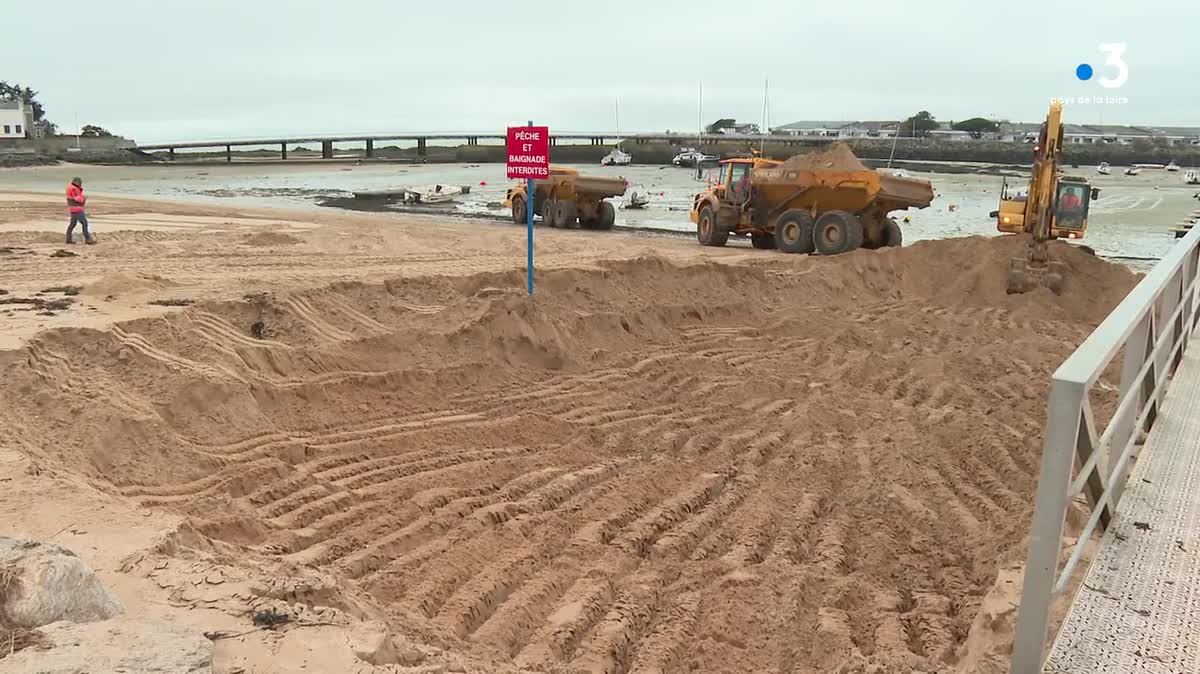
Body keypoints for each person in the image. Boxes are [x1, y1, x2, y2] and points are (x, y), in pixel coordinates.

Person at [65, 177, 95, 244]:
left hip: (72, 209)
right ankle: (87, 239)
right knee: (84, 223)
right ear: (76, 182)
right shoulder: (74, 189)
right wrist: (83, 199)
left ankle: (68, 239)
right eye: (80, 182)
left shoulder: (70, 188)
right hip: (77, 209)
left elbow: (70, 197)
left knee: (72, 224)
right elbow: (78, 199)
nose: (81, 184)